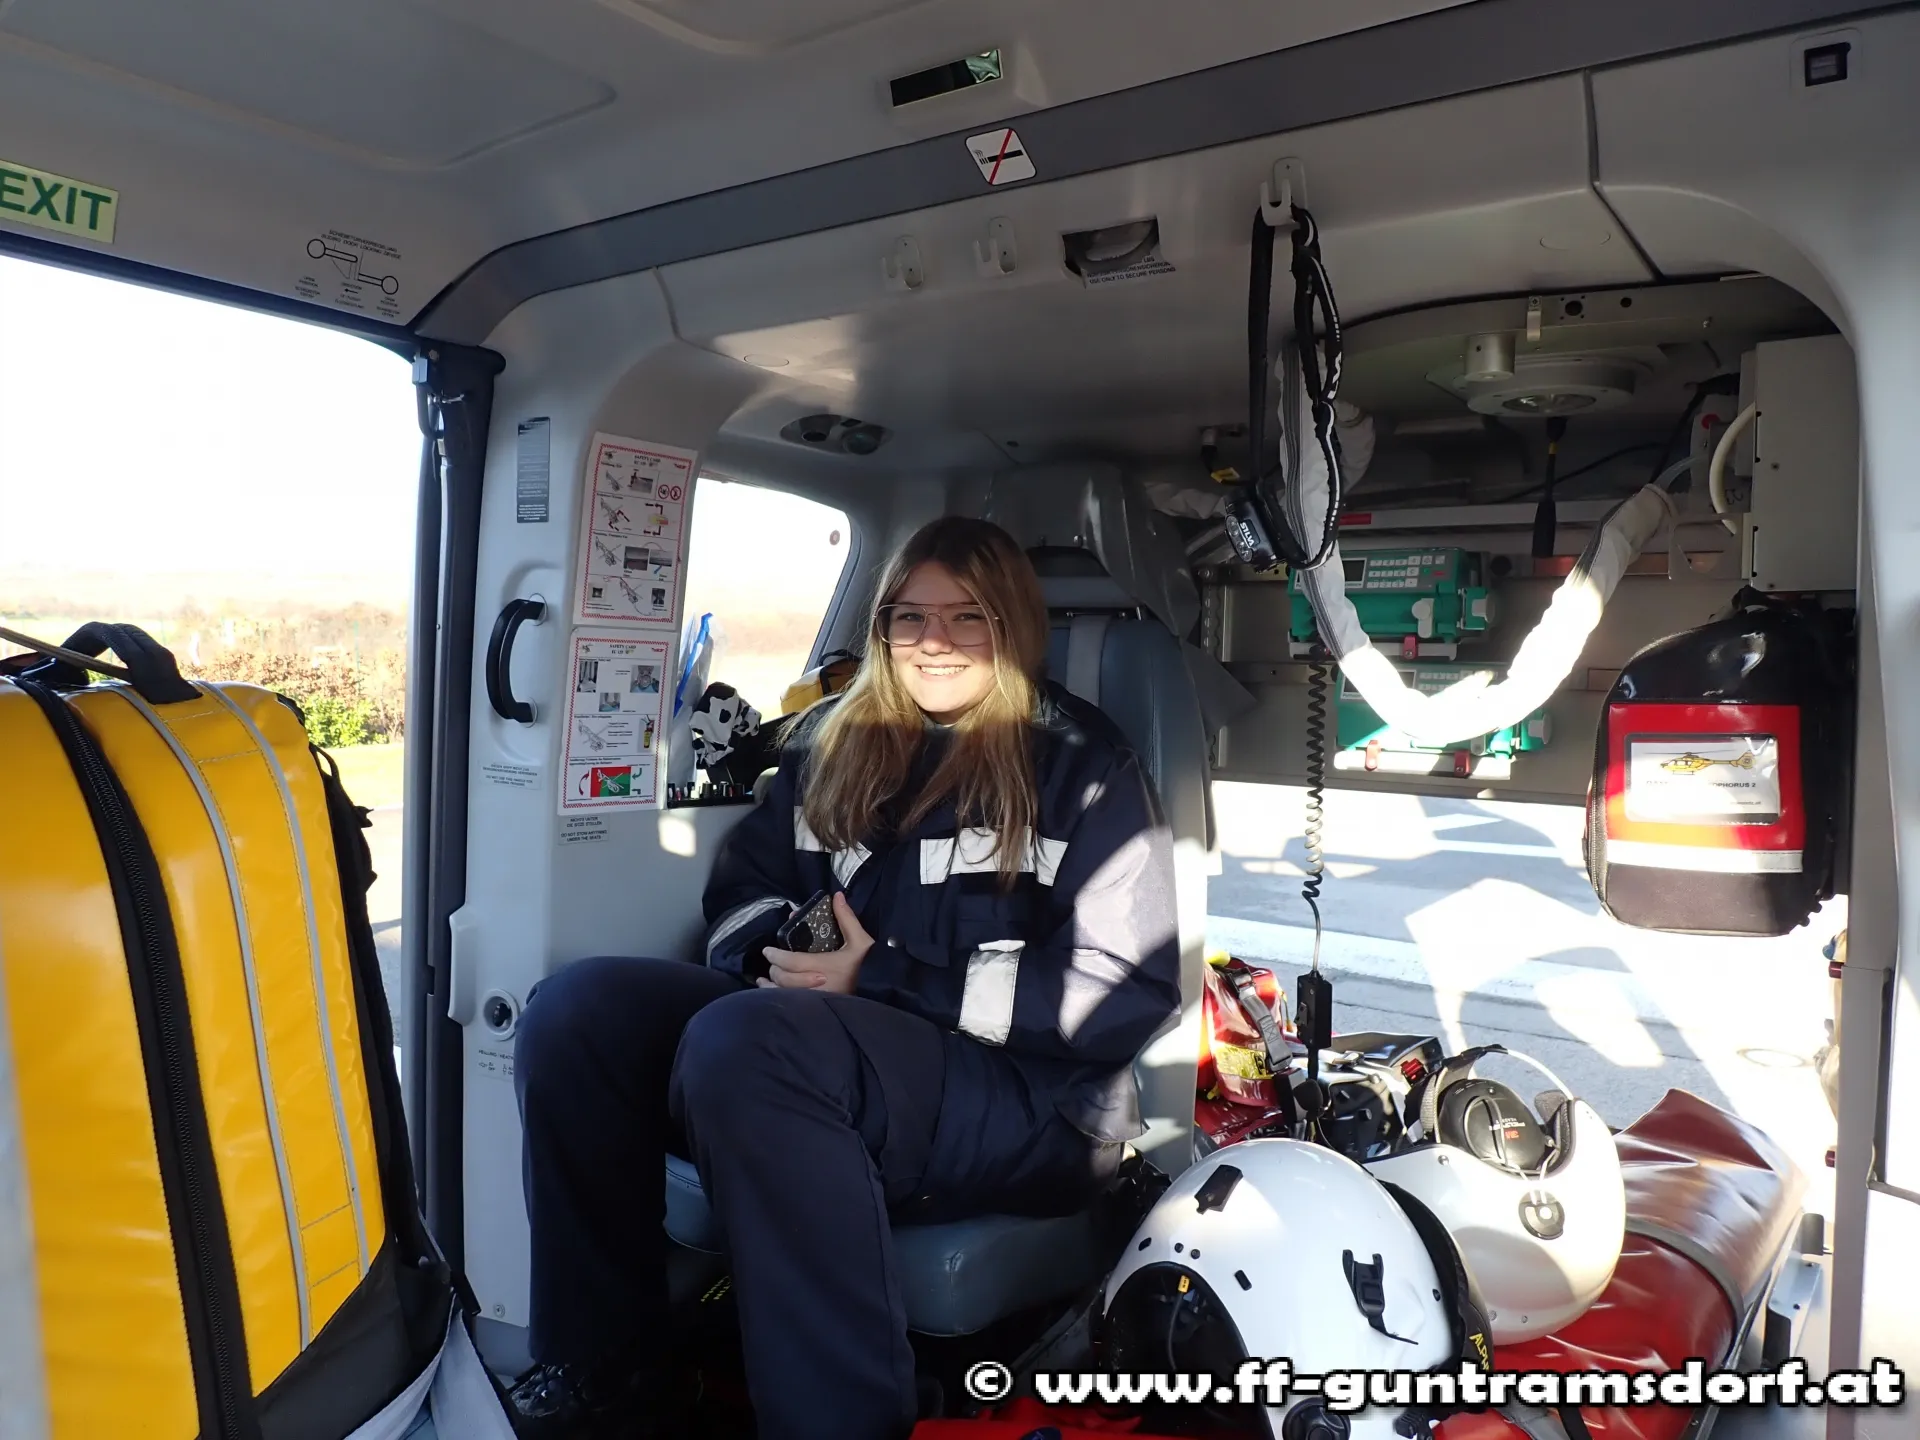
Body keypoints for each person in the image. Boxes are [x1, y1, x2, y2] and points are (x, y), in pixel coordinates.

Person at [507, 515, 1183, 1440]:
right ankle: (609, 1373)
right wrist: (783, 956)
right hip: (820, 1042)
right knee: (577, 1013)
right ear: (882, 629)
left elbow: (1124, 992)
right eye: (910, 618)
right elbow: (740, 896)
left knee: (750, 1043)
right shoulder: (833, 741)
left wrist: (884, 977)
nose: (934, 641)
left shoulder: (1081, 767)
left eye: (968, 617)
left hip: (1028, 1099)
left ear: (1013, 624)